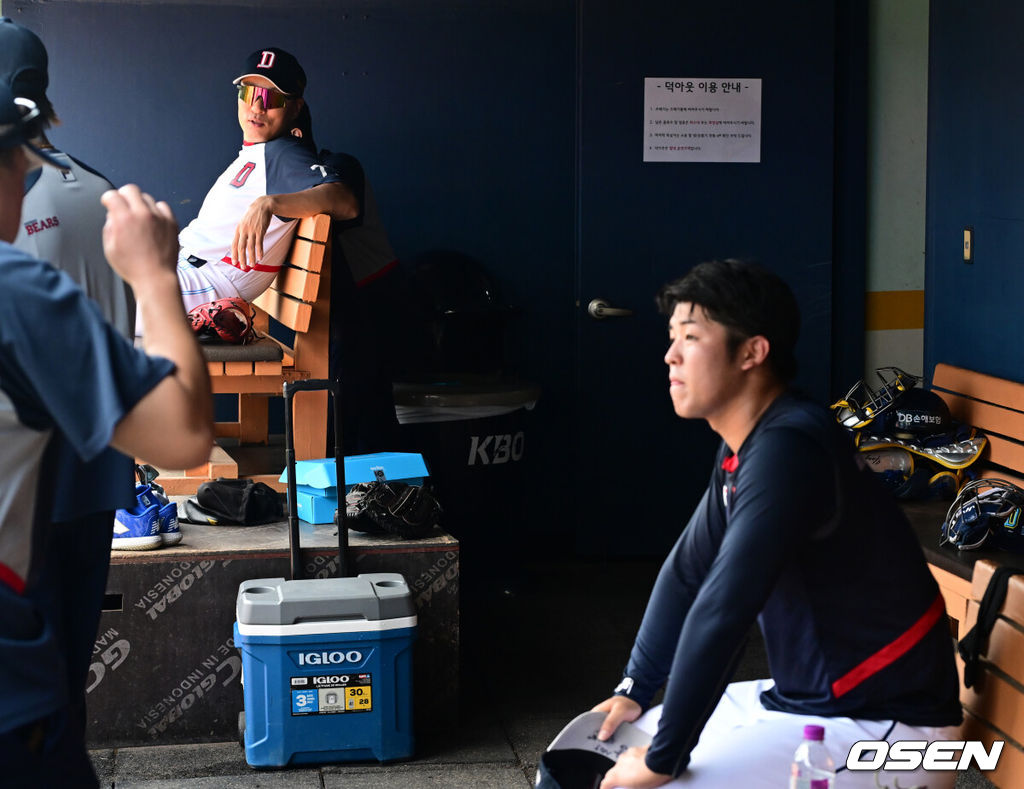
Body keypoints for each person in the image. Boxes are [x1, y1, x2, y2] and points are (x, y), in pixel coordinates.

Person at [586, 260, 962, 789]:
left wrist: (663, 759)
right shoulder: (751, 442)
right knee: (597, 745)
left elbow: (723, 608)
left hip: (894, 730)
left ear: (752, 352)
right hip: (819, 706)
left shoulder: (790, 449)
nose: (670, 355)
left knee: (644, 780)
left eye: (690, 337)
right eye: (672, 336)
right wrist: (636, 686)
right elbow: (687, 574)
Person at [0, 84, 213, 787]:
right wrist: (154, 276)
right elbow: (182, 436)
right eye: (16, 161)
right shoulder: (18, 294)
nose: (28, 174)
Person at [167, 46, 358, 327]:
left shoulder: (284, 154)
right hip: (185, 270)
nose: (257, 107)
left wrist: (270, 204)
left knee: (91, 304)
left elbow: (346, 202)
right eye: (249, 93)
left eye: (272, 97)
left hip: (205, 284)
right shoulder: (259, 151)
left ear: (296, 107)